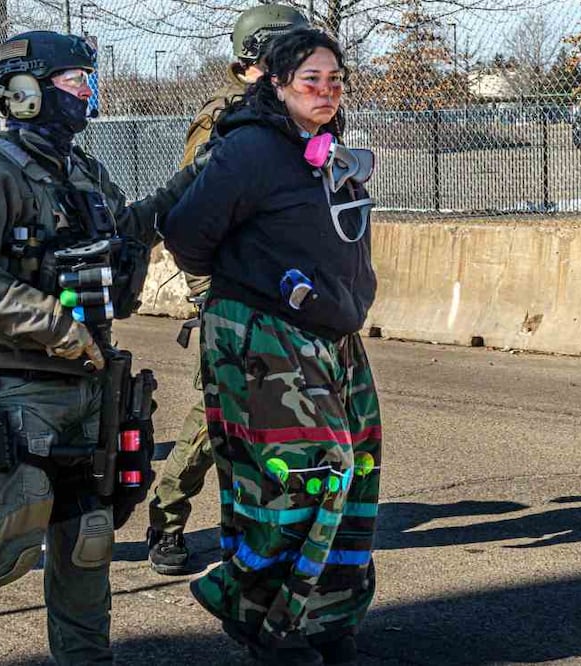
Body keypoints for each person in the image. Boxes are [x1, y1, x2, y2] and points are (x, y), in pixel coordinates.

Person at [0, 31, 198, 665]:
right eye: (75, 81)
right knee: (9, 538)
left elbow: (123, 237)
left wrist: (194, 179)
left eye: (87, 81)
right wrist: (56, 324)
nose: (87, 93)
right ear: (24, 92)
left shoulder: (82, 170)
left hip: (90, 385)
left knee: (88, 538)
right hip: (12, 384)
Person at [159, 28, 382, 666]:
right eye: (311, 79)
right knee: (309, 475)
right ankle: (251, 609)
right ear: (277, 83)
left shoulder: (324, 147)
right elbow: (186, 234)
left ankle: (325, 618)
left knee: (357, 470)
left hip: (331, 334)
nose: (327, 90)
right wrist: (256, 279)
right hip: (265, 332)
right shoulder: (251, 148)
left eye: (335, 79)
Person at [147, 2, 308, 577]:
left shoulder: (302, 117)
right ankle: (166, 517)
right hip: (233, 296)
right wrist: (207, 298)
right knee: (217, 417)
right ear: (252, 62)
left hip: (289, 298)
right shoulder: (225, 121)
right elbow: (191, 215)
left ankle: (262, 531)